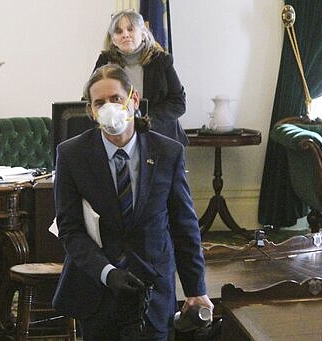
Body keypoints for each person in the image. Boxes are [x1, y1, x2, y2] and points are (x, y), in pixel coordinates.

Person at [52, 64, 212, 340]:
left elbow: (184, 226)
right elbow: (70, 229)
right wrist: (106, 272)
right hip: (99, 291)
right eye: (99, 102)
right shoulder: (71, 154)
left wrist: (195, 289)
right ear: (90, 111)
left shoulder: (168, 152)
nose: (108, 108)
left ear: (133, 100)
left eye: (115, 99)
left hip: (154, 291)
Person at [93, 9, 188, 146]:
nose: (126, 35)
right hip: (117, 138)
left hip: (161, 137)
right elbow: (89, 100)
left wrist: (144, 120)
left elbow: (178, 103)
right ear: (113, 39)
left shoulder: (161, 60)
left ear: (143, 33)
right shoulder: (105, 61)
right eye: (119, 32)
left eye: (131, 29)